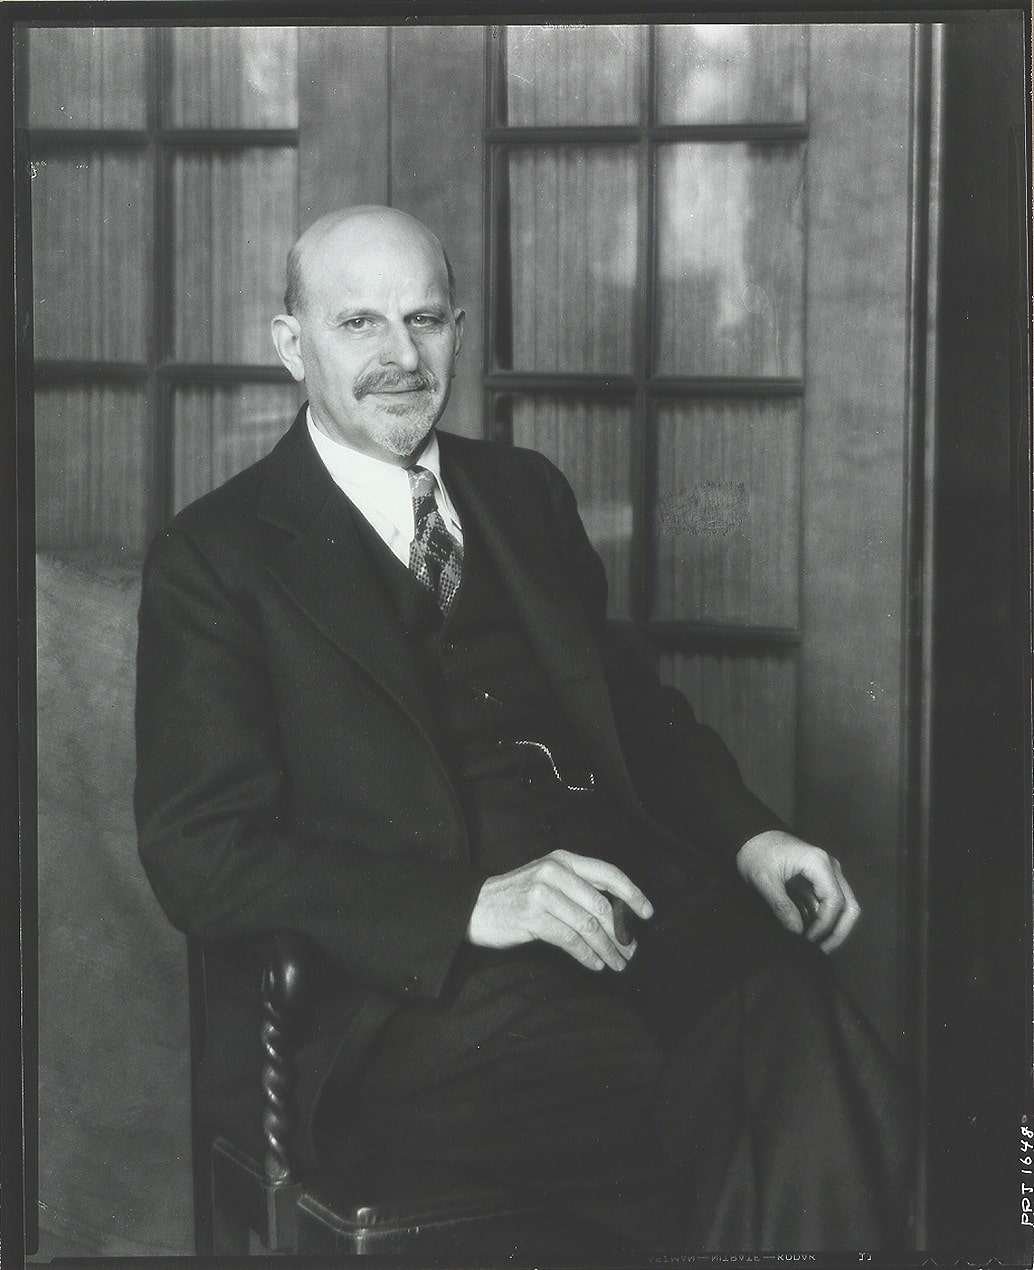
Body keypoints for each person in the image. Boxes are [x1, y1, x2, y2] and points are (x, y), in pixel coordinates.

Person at [135, 205, 912, 1254]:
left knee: (799, 1014)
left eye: (424, 320)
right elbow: (201, 852)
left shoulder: (523, 493)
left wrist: (751, 836)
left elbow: (637, 715)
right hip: (429, 1001)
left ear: (458, 328)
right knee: (754, 1104)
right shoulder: (216, 557)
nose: (401, 357)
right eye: (360, 323)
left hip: (639, 919)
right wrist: (470, 907)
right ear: (291, 345)